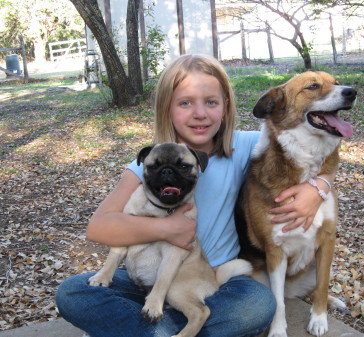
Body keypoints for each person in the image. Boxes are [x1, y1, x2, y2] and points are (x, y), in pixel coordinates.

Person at [56, 54, 335, 337]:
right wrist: (166, 228)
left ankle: (142, 329)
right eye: (185, 102)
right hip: (143, 276)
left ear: (226, 107)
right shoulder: (151, 163)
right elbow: (98, 227)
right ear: (167, 109)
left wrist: (319, 187)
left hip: (212, 281)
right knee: (71, 293)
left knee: (257, 305)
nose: (199, 113)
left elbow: (310, 145)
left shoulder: (248, 146)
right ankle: (164, 329)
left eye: (211, 102)